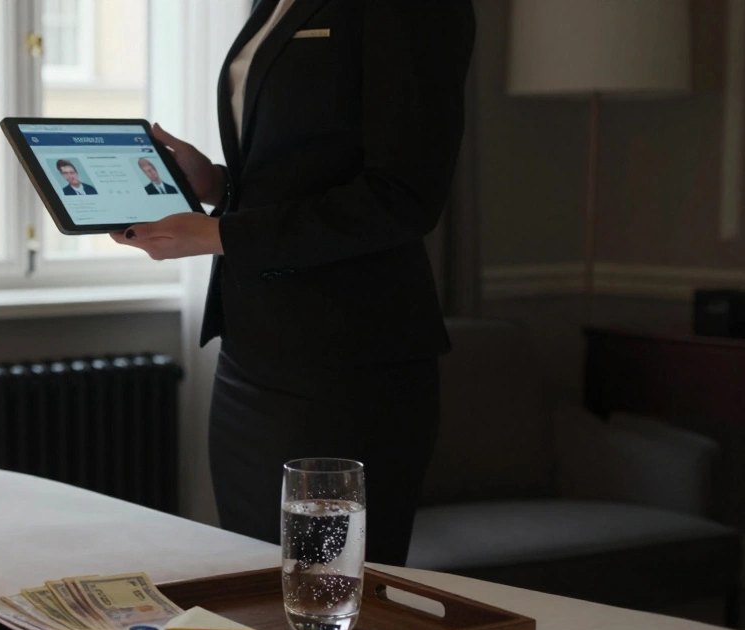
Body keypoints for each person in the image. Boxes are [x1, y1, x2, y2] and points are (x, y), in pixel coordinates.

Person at [111, 0, 476, 567]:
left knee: (330, 602)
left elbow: (402, 198)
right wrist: (215, 184)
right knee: (255, 585)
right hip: (249, 354)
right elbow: (303, 171)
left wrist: (222, 235)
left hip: (348, 365)